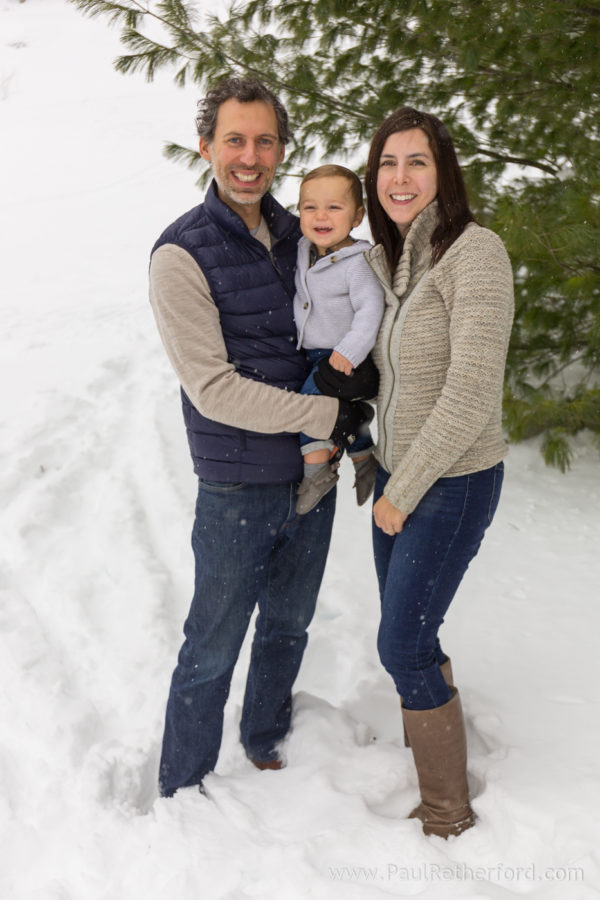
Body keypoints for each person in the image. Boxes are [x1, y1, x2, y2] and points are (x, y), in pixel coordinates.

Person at [149, 77, 372, 798]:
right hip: (238, 482)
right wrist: (322, 416)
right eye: (235, 140)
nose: (250, 156)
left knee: (287, 625)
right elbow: (211, 388)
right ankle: (182, 786)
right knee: (213, 644)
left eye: (265, 140)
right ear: (208, 145)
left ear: (282, 149)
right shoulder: (180, 253)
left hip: (314, 475)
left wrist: (355, 401)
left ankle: (267, 736)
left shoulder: (305, 229)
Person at [363, 107, 514, 837]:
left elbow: (471, 390)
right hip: (400, 480)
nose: (400, 178)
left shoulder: (474, 253)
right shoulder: (393, 263)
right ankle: (436, 746)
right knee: (411, 631)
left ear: (443, 172)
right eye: (388, 163)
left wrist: (401, 488)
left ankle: (448, 812)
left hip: (449, 485)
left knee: (400, 643)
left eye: (416, 162)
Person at [293, 164, 385, 514]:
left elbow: (370, 310)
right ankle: (364, 458)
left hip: (341, 355)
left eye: (334, 207)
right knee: (338, 413)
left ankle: (317, 470)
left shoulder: (357, 262)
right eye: (310, 207)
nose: (321, 216)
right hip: (312, 352)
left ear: (357, 216)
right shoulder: (304, 250)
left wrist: (349, 351)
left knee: (311, 409)